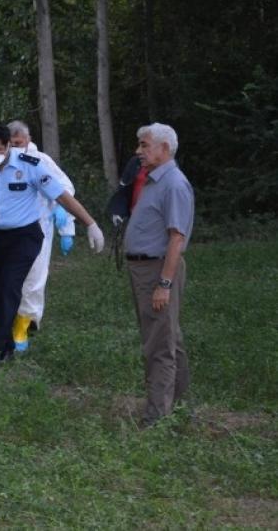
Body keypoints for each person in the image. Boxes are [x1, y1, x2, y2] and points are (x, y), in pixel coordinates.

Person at [0, 122, 105, 368]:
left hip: (25, 236)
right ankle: (7, 345)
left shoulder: (31, 166)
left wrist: (89, 223)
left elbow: (62, 195)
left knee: (10, 285)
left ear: (9, 146)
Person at [123, 123, 193, 426]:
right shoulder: (154, 180)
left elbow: (176, 238)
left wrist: (164, 283)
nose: (139, 151)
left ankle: (156, 419)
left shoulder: (174, 183)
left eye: (145, 145)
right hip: (145, 269)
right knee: (168, 339)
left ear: (164, 148)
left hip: (157, 270)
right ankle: (177, 408)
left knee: (158, 346)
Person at [8, 120, 77, 352]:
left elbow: (65, 187)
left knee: (34, 277)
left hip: (39, 228)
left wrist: (64, 220)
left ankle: (26, 325)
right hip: (10, 229)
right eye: (11, 143)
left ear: (27, 141)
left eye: (19, 143)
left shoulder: (42, 161)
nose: (15, 147)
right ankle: (5, 321)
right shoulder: (3, 161)